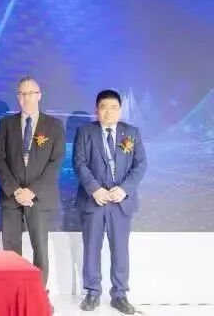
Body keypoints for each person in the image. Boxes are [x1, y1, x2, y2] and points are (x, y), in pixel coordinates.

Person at [74, 90, 147, 315]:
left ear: (120, 110)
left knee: (120, 249)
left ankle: (119, 294)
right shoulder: (85, 132)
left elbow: (141, 164)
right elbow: (79, 163)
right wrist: (95, 189)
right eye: (104, 107)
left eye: (113, 107)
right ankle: (92, 292)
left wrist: (124, 190)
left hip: (120, 201)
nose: (108, 111)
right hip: (94, 200)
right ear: (96, 110)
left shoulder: (131, 133)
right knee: (91, 248)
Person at [0, 77, 65, 285]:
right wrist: (16, 190)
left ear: (39, 95)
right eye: (22, 94)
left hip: (39, 198)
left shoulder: (54, 125)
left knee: (40, 249)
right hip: (12, 197)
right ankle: (12, 292)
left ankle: (38, 293)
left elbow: (55, 162)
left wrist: (32, 191)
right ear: (18, 97)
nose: (26, 98)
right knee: (10, 249)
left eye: (31, 93)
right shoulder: (6, 124)